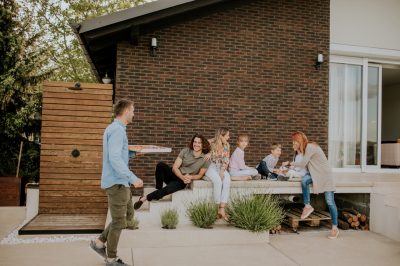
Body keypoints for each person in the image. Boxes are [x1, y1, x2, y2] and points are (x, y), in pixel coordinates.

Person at [90, 99, 143, 266]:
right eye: (133, 110)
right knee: (119, 221)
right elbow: (113, 158)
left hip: (120, 182)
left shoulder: (116, 129)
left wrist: (133, 155)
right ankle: (111, 259)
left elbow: (117, 154)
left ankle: (99, 243)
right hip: (117, 183)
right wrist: (132, 178)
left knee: (128, 215)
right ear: (126, 111)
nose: (134, 113)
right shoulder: (117, 130)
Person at [133, 134, 211, 210]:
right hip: (176, 174)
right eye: (195, 142)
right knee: (160, 165)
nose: (196, 144)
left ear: (203, 144)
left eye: (199, 142)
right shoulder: (186, 151)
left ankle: (143, 199)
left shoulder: (205, 159)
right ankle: (158, 189)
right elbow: (175, 167)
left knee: (167, 190)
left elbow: (200, 175)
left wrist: (190, 177)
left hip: (181, 182)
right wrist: (182, 177)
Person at [290, 131, 339, 239]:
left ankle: (335, 228)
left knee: (330, 201)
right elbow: (304, 166)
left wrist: (290, 163)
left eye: (295, 141)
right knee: (304, 181)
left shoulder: (310, 147)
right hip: (314, 175)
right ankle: (307, 206)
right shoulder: (305, 149)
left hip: (326, 176)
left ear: (299, 141)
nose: (293, 143)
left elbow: (303, 164)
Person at [204, 128, 231, 221]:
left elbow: (226, 159)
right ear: (221, 136)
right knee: (218, 181)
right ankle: (216, 208)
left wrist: (222, 171)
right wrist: (209, 152)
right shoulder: (211, 144)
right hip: (210, 166)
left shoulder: (227, 145)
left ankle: (222, 208)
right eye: (227, 135)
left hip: (221, 167)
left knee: (227, 180)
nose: (229, 137)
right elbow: (203, 143)